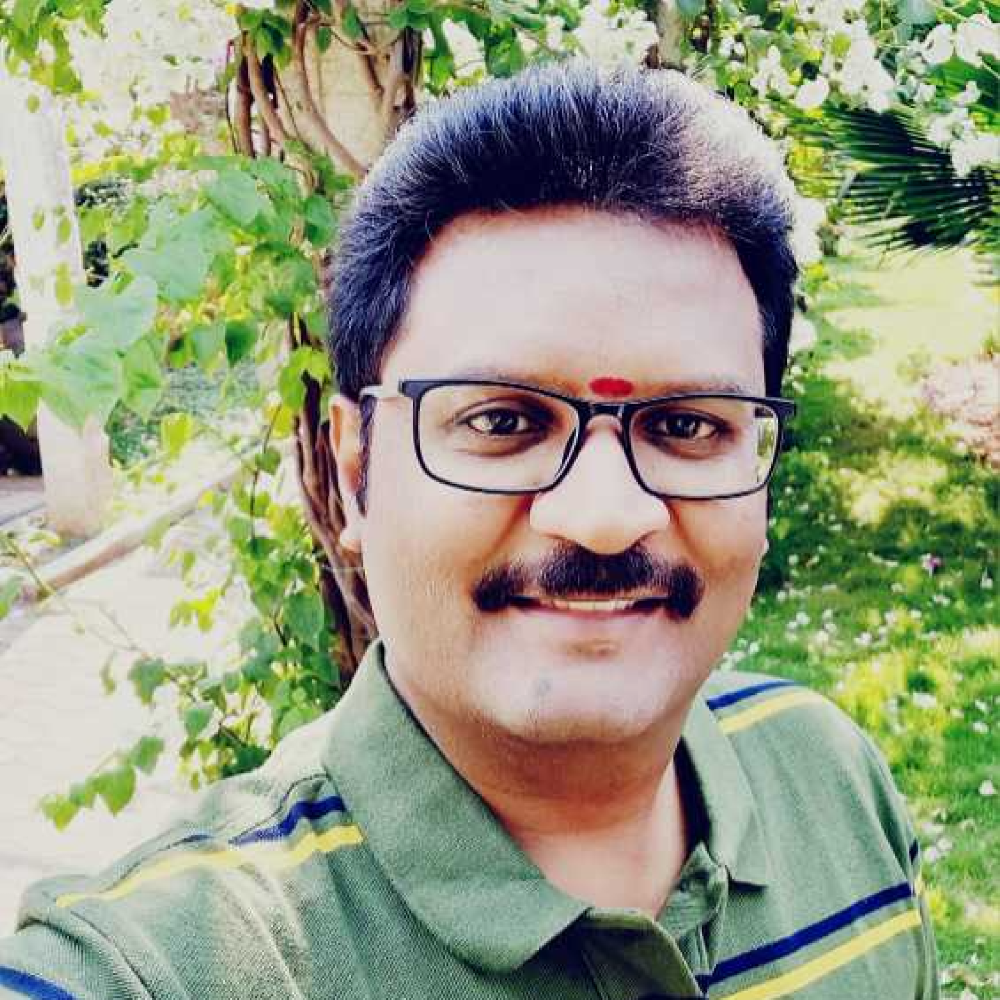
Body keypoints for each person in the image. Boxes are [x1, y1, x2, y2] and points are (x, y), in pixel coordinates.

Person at [0, 62, 938, 1000]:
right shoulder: (158, 966)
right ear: (356, 472)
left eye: (687, 425)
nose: (605, 518)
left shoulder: (828, 779)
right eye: (503, 421)